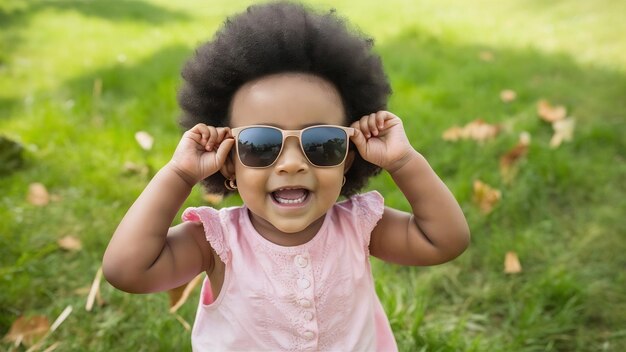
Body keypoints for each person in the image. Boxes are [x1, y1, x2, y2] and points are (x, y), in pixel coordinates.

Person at [102, 2, 470, 351]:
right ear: (229, 163)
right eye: (261, 144)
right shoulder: (216, 243)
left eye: (321, 143)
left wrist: (404, 161)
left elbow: (445, 241)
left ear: (346, 160)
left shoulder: (359, 227)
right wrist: (179, 174)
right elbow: (127, 270)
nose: (292, 164)